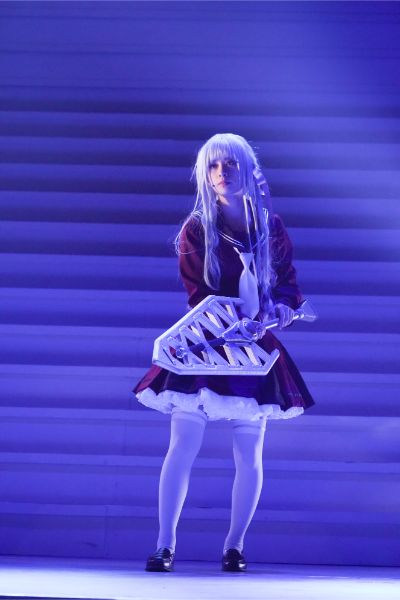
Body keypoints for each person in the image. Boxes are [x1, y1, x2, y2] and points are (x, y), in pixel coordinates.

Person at [132, 133, 315, 573]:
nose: (221, 173)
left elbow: (288, 283)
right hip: (207, 342)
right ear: (205, 173)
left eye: (230, 163)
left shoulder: (270, 226)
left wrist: (282, 308)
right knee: (182, 445)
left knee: (249, 453)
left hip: (254, 347)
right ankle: (164, 544)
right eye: (213, 165)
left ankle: (235, 546)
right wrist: (242, 318)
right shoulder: (197, 229)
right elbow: (199, 295)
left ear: (247, 168)